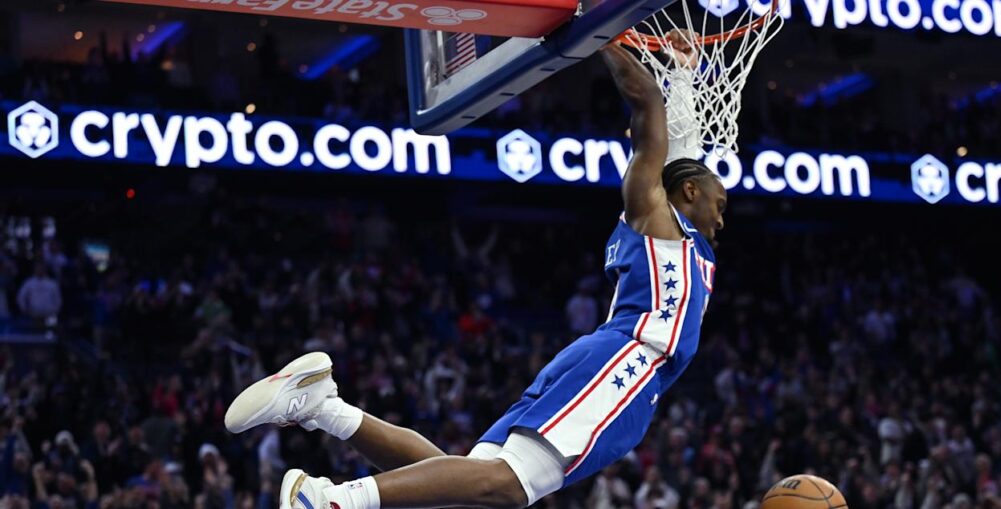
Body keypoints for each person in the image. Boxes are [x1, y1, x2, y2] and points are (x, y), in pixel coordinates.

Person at [223, 36, 727, 509]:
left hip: (609, 359)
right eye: (720, 203)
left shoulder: (678, 228)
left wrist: (682, 77)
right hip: (630, 360)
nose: (722, 218)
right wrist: (598, 30)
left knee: (477, 487)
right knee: (506, 486)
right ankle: (333, 500)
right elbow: (648, 112)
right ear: (689, 193)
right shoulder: (657, 215)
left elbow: (679, 141)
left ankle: (320, 406)